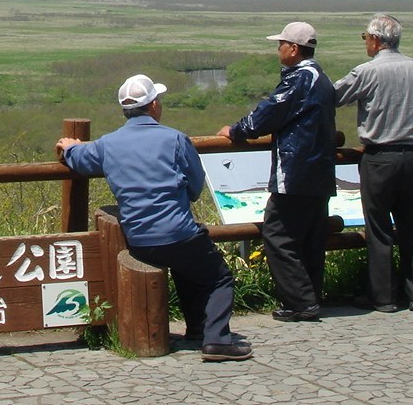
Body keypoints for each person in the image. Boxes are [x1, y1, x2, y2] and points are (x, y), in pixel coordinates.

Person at [56, 74, 251, 362]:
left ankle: (198, 330)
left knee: (190, 267)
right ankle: (217, 340)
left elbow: (80, 158)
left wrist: (69, 147)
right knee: (218, 277)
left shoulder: (108, 144)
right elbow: (196, 187)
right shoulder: (174, 139)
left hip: (139, 240)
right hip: (179, 233)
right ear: (155, 105)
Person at [219, 21, 337, 323]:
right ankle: (311, 296)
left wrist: (237, 130)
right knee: (310, 238)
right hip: (319, 171)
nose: (278, 50)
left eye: (281, 44)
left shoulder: (300, 79)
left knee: (278, 235)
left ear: (294, 49)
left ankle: (300, 302)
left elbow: (269, 114)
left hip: (296, 170)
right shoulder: (321, 77)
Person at [333, 13, 413, 312]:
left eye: (365, 37)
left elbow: (332, 96)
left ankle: (384, 297)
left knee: (379, 229)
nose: (365, 42)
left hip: (380, 157)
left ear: (375, 40)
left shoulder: (366, 72)